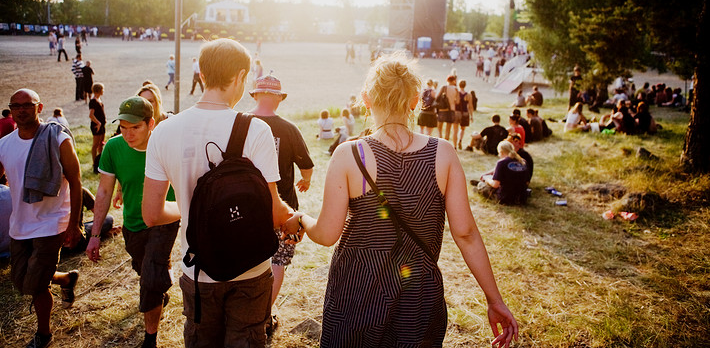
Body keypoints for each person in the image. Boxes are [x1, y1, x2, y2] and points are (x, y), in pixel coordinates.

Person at [281, 53, 518, 348]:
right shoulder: (443, 153)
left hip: (356, 290)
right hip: (419, 293)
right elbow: (466, 234)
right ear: (415, 100)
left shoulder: (350, 154)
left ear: (366, 99)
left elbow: (328, 234)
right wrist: (494, 299)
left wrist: (301, 219)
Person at [142, 38, 294, 348]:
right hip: (251, 270)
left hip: (199, 270)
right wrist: (295, 218)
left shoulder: (163, 131)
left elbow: (152, 214)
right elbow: (275, 212)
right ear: (239, 77)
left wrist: (189, 209)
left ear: (204, 73)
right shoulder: (256, 130)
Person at [86, 96, 179, 348]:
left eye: (135, 127)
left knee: (149, 279)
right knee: (145, 269)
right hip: (133, 224)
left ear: (151, 124)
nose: (128, 134)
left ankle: (150, 339)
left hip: (164, 220)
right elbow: (104, 191)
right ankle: (160, 283)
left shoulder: (168, 145)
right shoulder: (113, 148)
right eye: (123, 127)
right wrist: (94, 235)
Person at [0, 89, 83, 348]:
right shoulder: (4, 145)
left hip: (51, 222)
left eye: (28, 105)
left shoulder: (57, 138)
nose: (22, 110)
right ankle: (66, 279)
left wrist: (74, 224)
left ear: (40, 107)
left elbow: (77, 181)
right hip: (20, 224)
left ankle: (43, 334)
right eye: (16, 106)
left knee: (35, 285)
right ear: (11, 110)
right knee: (21, 279)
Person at [248, 73, 314, 336]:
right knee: (277, 263)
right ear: (278, 98)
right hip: (281, 209)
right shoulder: (288, 128)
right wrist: (305, 181)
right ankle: (264, 315)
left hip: (245, 207)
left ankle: (244, 313)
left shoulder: (239, 123)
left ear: (254, 95)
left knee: (247, 261)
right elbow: (306, 165)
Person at [474, 140, 529, 205]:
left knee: (482, 185)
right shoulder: (523, 162)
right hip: (521, 198)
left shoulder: (501, 162)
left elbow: (495, 184)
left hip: (505, 199)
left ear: (501, 152)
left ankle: (479, 185)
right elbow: (527, 182)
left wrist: (487, 179)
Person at [89, 83, 106, 174]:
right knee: (95, 144)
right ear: (99, 90)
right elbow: (91, 115)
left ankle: (100, 161)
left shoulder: (99, 99)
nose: (103, 91)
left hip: (102, 125)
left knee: (101, 144)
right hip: (96, 125)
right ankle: (94, 162)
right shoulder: (93, 101)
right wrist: (98, 122)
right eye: (102, 89)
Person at [436, 75, 459, 143]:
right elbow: (457, 101)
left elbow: (437, 97)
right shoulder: (456, 89)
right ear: (454, 81)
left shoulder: (444, 87)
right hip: (452, 110)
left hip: (443, 109)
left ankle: (440, 142)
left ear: (447, 80)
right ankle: (446, 143)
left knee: (439, 128)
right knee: (448, 129)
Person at [456, 80, 475, 150]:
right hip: (465, 113)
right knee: (462, 129)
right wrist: (472, 116)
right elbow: (470, 106)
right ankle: (460, 140)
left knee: (455, 128)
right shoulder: (468, 95)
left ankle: (455, 142)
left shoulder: (457, 93)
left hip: (457, 112)